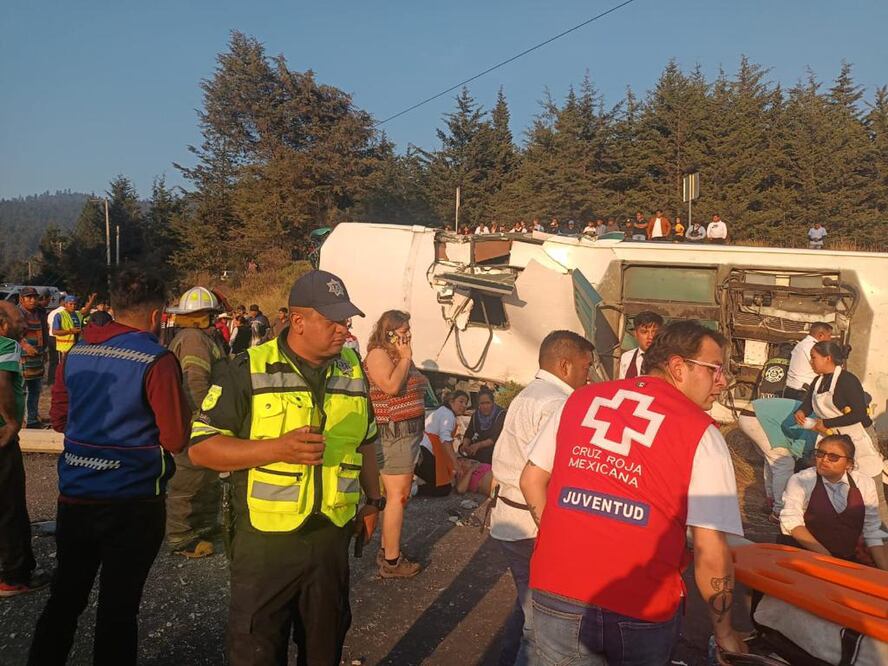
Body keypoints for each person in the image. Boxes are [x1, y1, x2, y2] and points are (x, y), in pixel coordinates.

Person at [187, 270, 383, 666]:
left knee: (325, 646)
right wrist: (276, 449)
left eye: (346, 321)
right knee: (257, 649)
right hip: (265, 544)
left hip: (330, 537)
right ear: (298, 321)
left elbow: (366, 439)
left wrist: (374, 501)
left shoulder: (351, 368)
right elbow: (201, 448)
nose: (344, 331)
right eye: (333, 322)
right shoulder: (247, 368)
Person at [520, 320, 747, 663]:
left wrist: (556, 537)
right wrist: (724, 632)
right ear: (678, 367)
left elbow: (531, 479)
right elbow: (710, 549)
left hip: (555, 589)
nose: (723, 381)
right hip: (641, 605)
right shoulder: (700, 432)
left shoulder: (579, 400)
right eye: (714, 369)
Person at [29, 269, 191, 665]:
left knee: (65, 598)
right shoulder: (157, 360)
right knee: (119, 608)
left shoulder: (76, 353)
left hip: (75, 497)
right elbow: (175, 438)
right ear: (157, 316)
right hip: (133, 503)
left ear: (114, 307)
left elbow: (60, 419)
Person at [489, 330, 595, 666]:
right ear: (565, 365)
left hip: (510, 517)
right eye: (586, 366)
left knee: (528, 607)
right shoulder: (557, 404)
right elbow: (551, 475)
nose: (589, 375)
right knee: (541, 624)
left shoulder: (531, 394)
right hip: (533, 522)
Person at [794, 341, 888, 527]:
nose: (811, 362)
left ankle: (882, 531)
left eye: (813, 357)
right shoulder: (818, 381)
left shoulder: (847, 380)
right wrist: (802, 412)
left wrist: (826, 423)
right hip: (832, 440)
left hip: (858, 438)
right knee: (837, 485)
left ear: (827, 358)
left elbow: (859, 414)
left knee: (872, 488)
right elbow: (808, 404)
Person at [364, 310, 429, 578]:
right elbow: (390, 386)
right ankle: (391, 562)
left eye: (408, 330)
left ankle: (387, 550)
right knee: (397, 497)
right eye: (403, 331)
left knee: (398, 496)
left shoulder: (395, 354)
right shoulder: (378, 354)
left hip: (405, 434)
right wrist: (405, 358)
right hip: (394, 435)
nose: (408, 335)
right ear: (389, 333)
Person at [165, 287, 228, 558]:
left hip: (201, 419)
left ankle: (203, 526)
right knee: (189, 480)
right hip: (196, 421)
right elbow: (195, 382)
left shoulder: (197, 337)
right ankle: (181, 537)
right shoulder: (194, 339)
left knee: (206, 477)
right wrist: (205, 420)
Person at [0, 302, 50, 597]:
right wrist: (11, 422)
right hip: (1, 440)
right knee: (10, 507)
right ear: (3, 324)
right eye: (19, 319)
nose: (25, 324)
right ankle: (14, 577)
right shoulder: (6, 344)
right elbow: (2, 382)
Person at [779, 434, 887, 569]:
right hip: (807, 555)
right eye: (820, 454)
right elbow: (792, 522)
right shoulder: (801, 480)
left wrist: (884, 570)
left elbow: (872, 529)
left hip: (847, 556)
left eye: (833, 457)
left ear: (849, 464)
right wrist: (828, 559)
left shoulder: (865, 483)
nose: (824, 460)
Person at [738, 397, 817, 522]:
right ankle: (780, 511)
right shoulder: (817, 431)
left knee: (773, 461)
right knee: (783, 462)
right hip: (758, 417)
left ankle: (771, 501)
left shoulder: (819, 418)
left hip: (754, 414)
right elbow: (800, 452)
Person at [415, 390, 469, 497]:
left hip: (419, 451)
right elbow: (445, 440)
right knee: (444, 488)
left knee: (444, 481)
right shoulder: (448, 415)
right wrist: (455, 464)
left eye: (466, 403)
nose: (464, 406)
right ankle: (413, 489)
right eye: (461, 401)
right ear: (451, 401)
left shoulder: (442, 411)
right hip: (424, 453)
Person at [17, 287, 47, 428]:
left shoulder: (40, 313)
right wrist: (24, 345)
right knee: (21, 390)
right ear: (21, 299)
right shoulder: (17, 313)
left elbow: (44, 333)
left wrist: (44, 350)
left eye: (35, 297)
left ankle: (32, 420)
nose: (33, 300)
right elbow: (12, 333)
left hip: (37, 357)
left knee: (35, 390)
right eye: (29, 297)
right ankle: (20, 420)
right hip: (21, 358)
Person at [783, 322, 833, 400]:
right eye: (829, 336)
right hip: (802, 392)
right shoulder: (812, 347)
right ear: (821, 336)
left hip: (791, 390)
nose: (830, 339)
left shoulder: (802, 344)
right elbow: (822, 368)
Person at [460, 387, 505, 465]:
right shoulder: (476, 415)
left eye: (488, 403)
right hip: (479, 447)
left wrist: (478, 446)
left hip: (495, 448)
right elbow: (469, 432)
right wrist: (465, 445)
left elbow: (494, 438)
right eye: (482, 403)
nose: (485, 406)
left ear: (493, 403)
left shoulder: (501, 414)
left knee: (486, 454)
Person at [618, 310, 663, 379]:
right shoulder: (626, 358)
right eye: (644, 332)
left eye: (654, 332)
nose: (650, 337)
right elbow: (622, 383)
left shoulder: (667, 359)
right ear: (635, 334)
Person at [51, 295, 83, 361]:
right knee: (63, 366)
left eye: (75, 304)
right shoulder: (59, 315)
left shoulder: (77, 314)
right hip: (64, 349)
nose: (73, 306)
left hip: (76, 348)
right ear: (65, 304)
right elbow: (54, 332)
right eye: (70, 304)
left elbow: (85, 311)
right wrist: (70, 331)